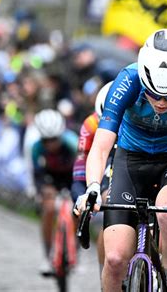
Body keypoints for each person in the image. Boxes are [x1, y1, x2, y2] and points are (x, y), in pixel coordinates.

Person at [74, 29, 167, 292]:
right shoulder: (127, 80)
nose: (162, 102)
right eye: (154, 94)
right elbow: (99, 148)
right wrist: (94, 187)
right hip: (130, 159)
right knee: (115, 258)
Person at [71, 82, 113, 276]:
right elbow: (80, 171)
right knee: (110, 207)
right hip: (105, 166)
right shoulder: (91, 124)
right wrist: (81, 197)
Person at [31, 109, 79, 273]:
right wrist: (42, 189)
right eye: (46, 140)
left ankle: (75, 253)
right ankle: (47, 256)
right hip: (51, 179)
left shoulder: (73, 143)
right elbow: (37, 174)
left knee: (77, 211)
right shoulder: (36, 148)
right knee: (49, 209)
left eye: (54, 139)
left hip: (73, 177)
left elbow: (82, 169)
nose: (51, 144)